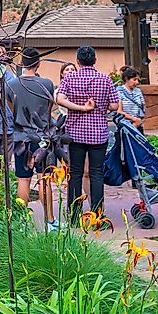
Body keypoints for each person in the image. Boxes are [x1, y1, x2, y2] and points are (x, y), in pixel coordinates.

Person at [56, 45, 119, 223]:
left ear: (77, 61)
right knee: (96, 173)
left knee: (75, 174)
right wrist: (100, 105)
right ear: (95, 61)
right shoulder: (105, 79)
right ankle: (97, 217)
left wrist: (79, 108)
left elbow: (60, 99)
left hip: (75, 133)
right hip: (99, 133)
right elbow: (115, 105)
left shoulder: (70, 79)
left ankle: (74, 217)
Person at [12, 48, 58, 229]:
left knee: (23, 179)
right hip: (41, 137)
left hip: (20, 136)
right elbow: (49, 106)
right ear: (38, 64)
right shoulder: (46, 83)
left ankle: (22, 221)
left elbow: (11, 107)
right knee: (44, 178)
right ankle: (50, 220)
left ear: (22, 63)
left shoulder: (12, 84)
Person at [115, 66, 146, 131]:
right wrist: (133, 119)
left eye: (138, 80)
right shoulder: (119, 92)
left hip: (138, 125)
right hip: (124, 126)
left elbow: (143, 108)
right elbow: (119, 112)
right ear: (126, 79)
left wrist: (138, 121)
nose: (137, 82)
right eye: (134, 79)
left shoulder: (138, 91)